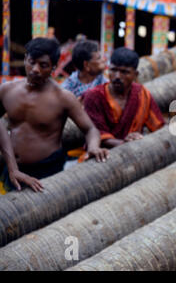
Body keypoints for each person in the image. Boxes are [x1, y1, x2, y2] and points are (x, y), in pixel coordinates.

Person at [0, 38, 109, 195]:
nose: (35, 69)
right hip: (12, 169)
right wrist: (12, 166)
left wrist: (93, 147)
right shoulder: (6, 90)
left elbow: (90, 129)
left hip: (48, 171)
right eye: (32, 62)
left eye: (43, 65)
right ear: (25, 60)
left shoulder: (63, 98)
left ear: (53, 67)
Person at [83, 47, 165, 148]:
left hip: (136, 152)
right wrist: (124, 143)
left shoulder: (141, 94)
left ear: (135, 75)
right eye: (113, 70)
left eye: (124, 72)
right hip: (101, 155)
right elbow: (96, 133)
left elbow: (158, 126)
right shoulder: (94, 96)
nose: (117, 76)